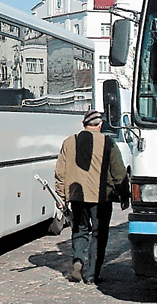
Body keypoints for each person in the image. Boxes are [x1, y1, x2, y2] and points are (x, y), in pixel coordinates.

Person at [54, 110, 129, 285]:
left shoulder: (69, 142)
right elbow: (119, 172)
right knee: (99, 234)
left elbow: (60, 172)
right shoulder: (108, 143)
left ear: (84, 124)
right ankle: (92, 274)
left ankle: (78, 262)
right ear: (100, 124)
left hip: (76, 196)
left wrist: (62, 195)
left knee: (79, 230)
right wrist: (125, 194)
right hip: (101, 198)